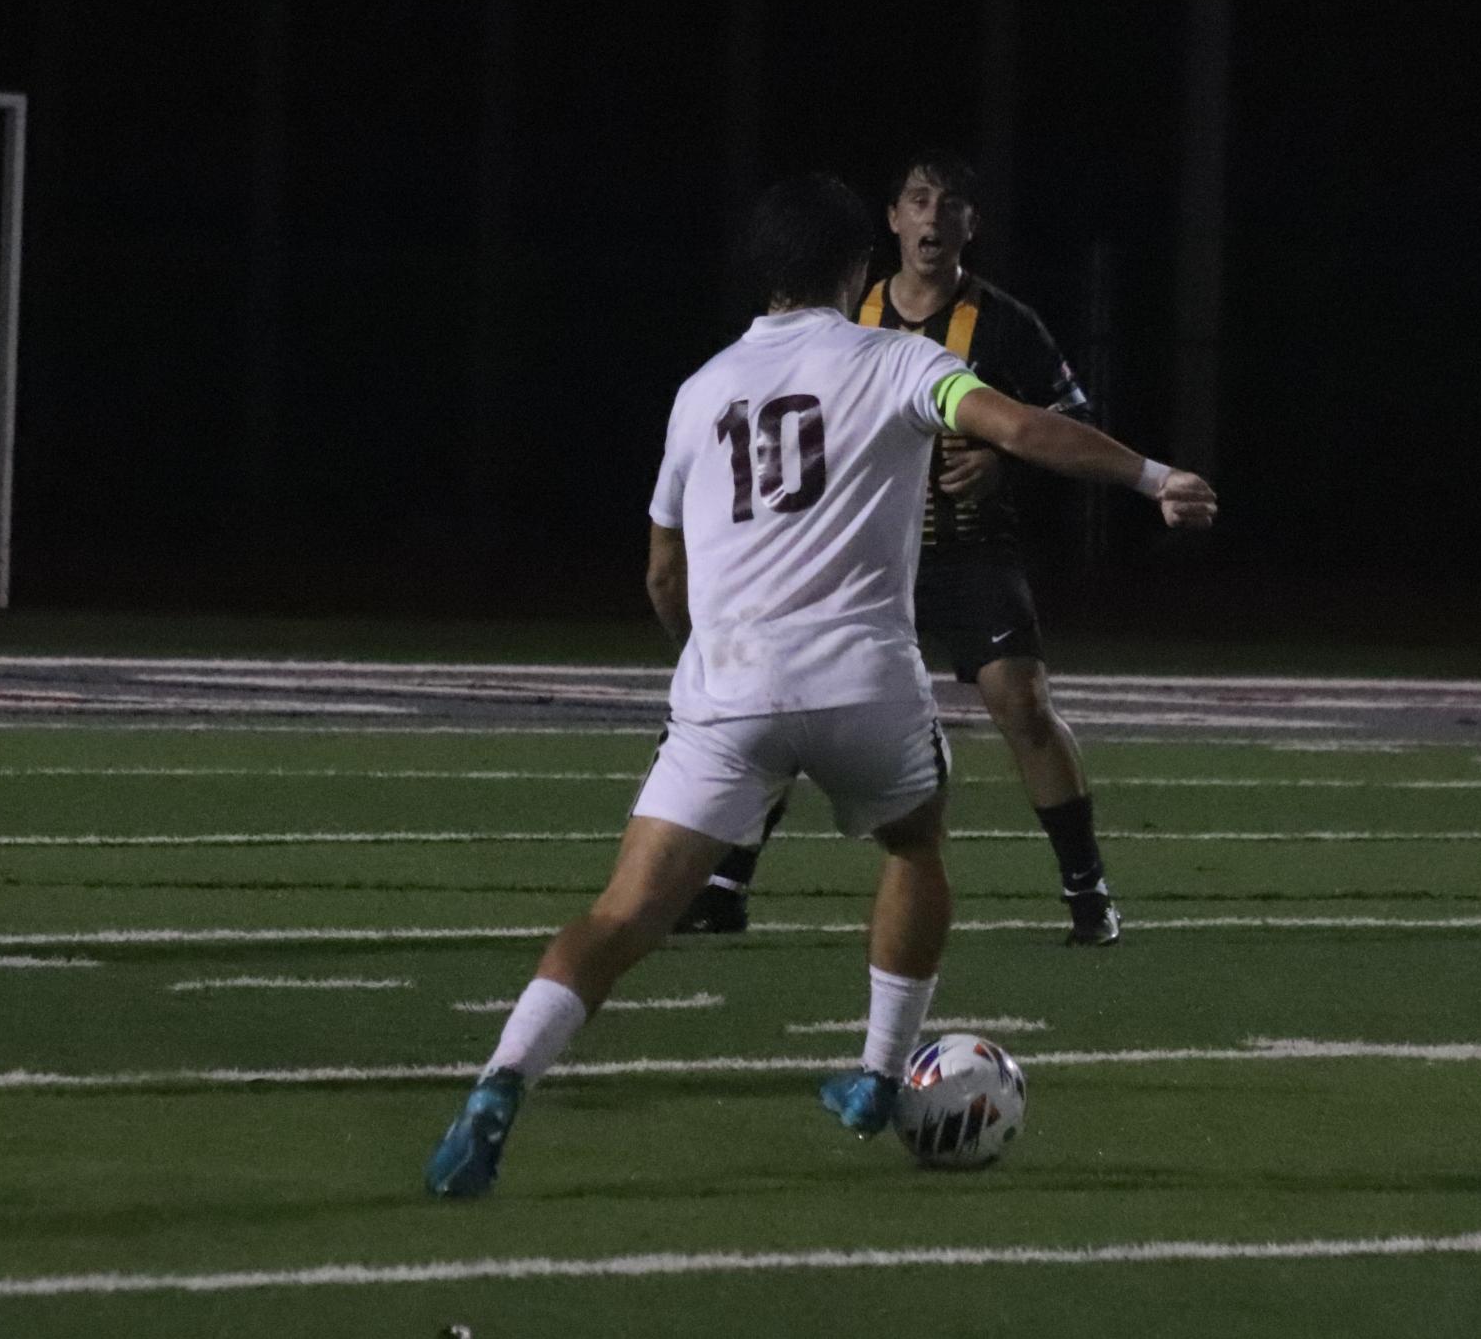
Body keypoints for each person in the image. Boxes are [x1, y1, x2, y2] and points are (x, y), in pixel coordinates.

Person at [424, 173, 1215, 1198]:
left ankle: (498, 1086)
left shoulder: (700, 390)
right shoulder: (897, 358)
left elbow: (664, 571)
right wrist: (1155, 478)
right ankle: (879, 1075)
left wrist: (701, 666)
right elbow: (1019, 428)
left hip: (730, 686)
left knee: (619, 916)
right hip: (863, 682)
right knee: (915, 842)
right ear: (860, 267)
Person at [679, 149, 1129, 947]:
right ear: (891, 220)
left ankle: (1087, 891)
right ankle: (724, 884)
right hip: (852, 555)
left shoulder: (1004, 323)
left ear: (968, 225)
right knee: (786, 689)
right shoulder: (847, 321)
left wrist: (999, 463)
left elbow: (1066, 421)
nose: (931, 217)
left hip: (963, 550)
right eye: (917, 200)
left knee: (1021, 703)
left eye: (948, 203)